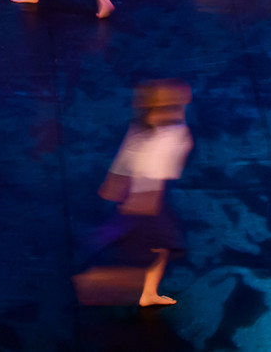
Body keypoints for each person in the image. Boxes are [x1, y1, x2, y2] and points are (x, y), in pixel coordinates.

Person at [75, 79, 192, 308]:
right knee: (152, 249)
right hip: (148, 198)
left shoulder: (146, 126)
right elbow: (149, 171)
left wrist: (114, 184)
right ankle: (94, 282)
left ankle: (148, 293)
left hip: (144, 196)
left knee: (160, 248)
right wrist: (140, 205)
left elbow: (126, 157)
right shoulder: (165, 133)